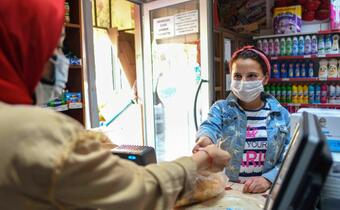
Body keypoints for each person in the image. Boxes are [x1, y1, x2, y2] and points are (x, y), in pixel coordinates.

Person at [0, 1, 231, 210]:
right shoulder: (31, 130)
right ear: (26, 45)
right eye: (58, 47)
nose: (63, 61)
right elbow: (141, 190)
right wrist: (204, 160)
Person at [193, 46, 290, 194]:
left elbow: (288, 157)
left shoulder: (281, 115)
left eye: (251, 76)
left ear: (265, 78)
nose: (244, 82)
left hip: (262, 194)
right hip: (228, 190)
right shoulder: (221, 109)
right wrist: (205, 143)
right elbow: (209, 127)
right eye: (237, 76)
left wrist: (268, 179)